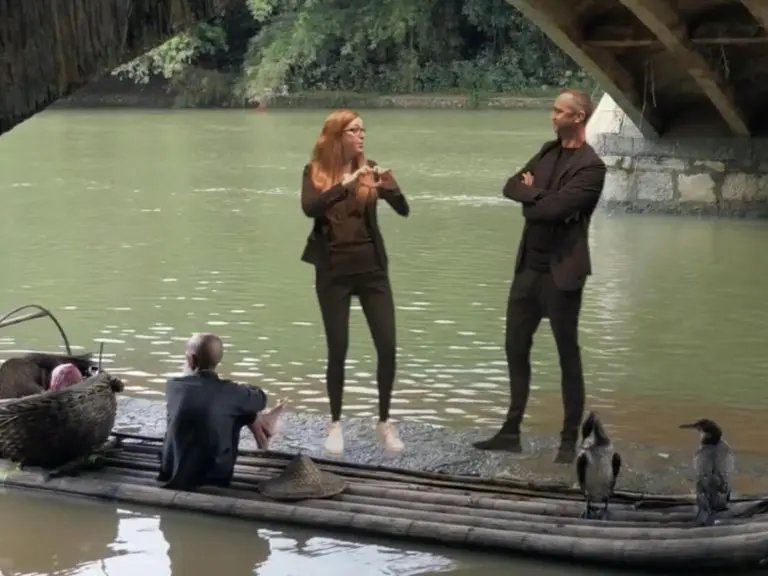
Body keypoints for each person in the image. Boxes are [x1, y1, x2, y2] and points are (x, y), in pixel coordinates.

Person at [473, 88, 606, 464]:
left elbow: (552, 210)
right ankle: (510, 432)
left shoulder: (591, 167)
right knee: (515, 348)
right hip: (528, 271)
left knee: (568, 356)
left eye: (559, 111)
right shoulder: (547, 152)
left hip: (562, 275)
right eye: (553, 110)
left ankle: (567, 442)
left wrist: (533, 197)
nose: (553, 116)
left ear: (578, 117)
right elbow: (510, 186)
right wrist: (536, 196)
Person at [300, 108, 410, 456]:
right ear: (337, 136)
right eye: (353, 130)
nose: (361, 136)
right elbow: (310, 208)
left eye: (363, 130)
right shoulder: (314, 171)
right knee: (338, 350)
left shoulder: (370, 168)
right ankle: (335, 423)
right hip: (333, 272)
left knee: (387, 346)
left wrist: (390, 188)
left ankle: (385, 422)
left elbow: (404, 209)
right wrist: (344, 186)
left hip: (372, 270)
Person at [158, 332, 285, 490]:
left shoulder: (172, 385)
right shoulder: (231, 391)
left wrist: (189, 370)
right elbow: (261, 399)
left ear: (191, 359)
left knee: (224, 407)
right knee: (237, 407)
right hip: (215, 475)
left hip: (171, 470)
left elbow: (196, 390)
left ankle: (264, 426)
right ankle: (264, 426)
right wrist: (242, 388)